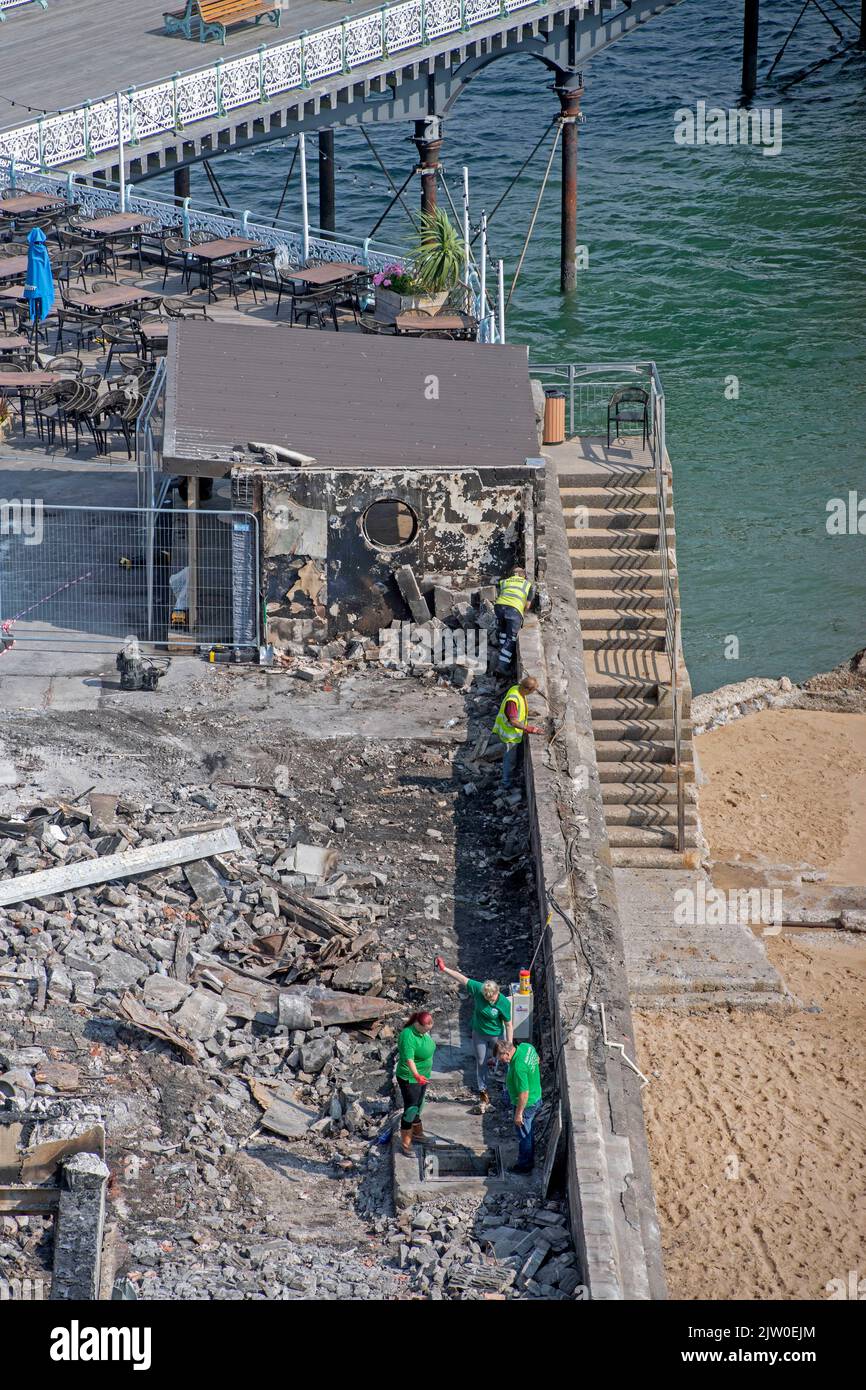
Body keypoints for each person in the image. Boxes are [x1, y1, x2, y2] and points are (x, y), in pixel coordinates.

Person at [435, 958, 512, 1110]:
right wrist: (444, 969)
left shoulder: (503, 1002)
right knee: (481, 1061)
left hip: (496, 1034)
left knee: (506, 1060)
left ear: (497, 992)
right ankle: (483, 1092)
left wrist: (509, 1044)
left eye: (493, 998)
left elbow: (509, 1025)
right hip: (479, 1033)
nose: (490, 1001)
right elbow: (462, 979)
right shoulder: (478, 989)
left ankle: (510, 1089)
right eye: (487, 998)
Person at [495, 1037, 542, 1174]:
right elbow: (537, 1059)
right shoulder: (526, 1047)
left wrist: (518, 1113)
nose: (500, 1060)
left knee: (524, 1135)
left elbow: (524, 1094)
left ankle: (525, 1166)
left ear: (507, 1054)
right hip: (536, 1096)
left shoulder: (518, 1067)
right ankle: (529, 1157)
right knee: (529, 1130)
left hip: (527, 1104)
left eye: (500, 1057)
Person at [492, 675, 543, 794]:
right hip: (509, 735)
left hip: (514, 734)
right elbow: (513, 720)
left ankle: (510, 777)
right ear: (528, 689)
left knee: (513, 759)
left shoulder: (517, 689)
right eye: (532, 691)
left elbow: (518, 709)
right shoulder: (513, 699)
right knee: (509, 760)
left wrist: (528, 712)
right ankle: (506, 784)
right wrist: (530, 729)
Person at [395, 1010, 435, 1154]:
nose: (427, 1031)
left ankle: (418, 1134)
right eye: (425, 1028)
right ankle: (406, 1143)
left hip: (423, 1076)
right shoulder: (408, 1035)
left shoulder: (422, 1031)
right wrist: (417, 1075)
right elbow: (409, 1059)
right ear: (418, 1024)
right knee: (411, 1108)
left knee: (419, 1104)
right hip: (410, 1078)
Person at [494, 567, 534, 673]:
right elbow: (527, 606)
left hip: (499, 607)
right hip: (514, 609)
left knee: (503, 631)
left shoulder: (504, 582)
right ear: (524, 575)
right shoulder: (527, 584)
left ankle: (501, 651)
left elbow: (500, 595)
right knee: (511, 637)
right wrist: (521, 614)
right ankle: (502, 666)